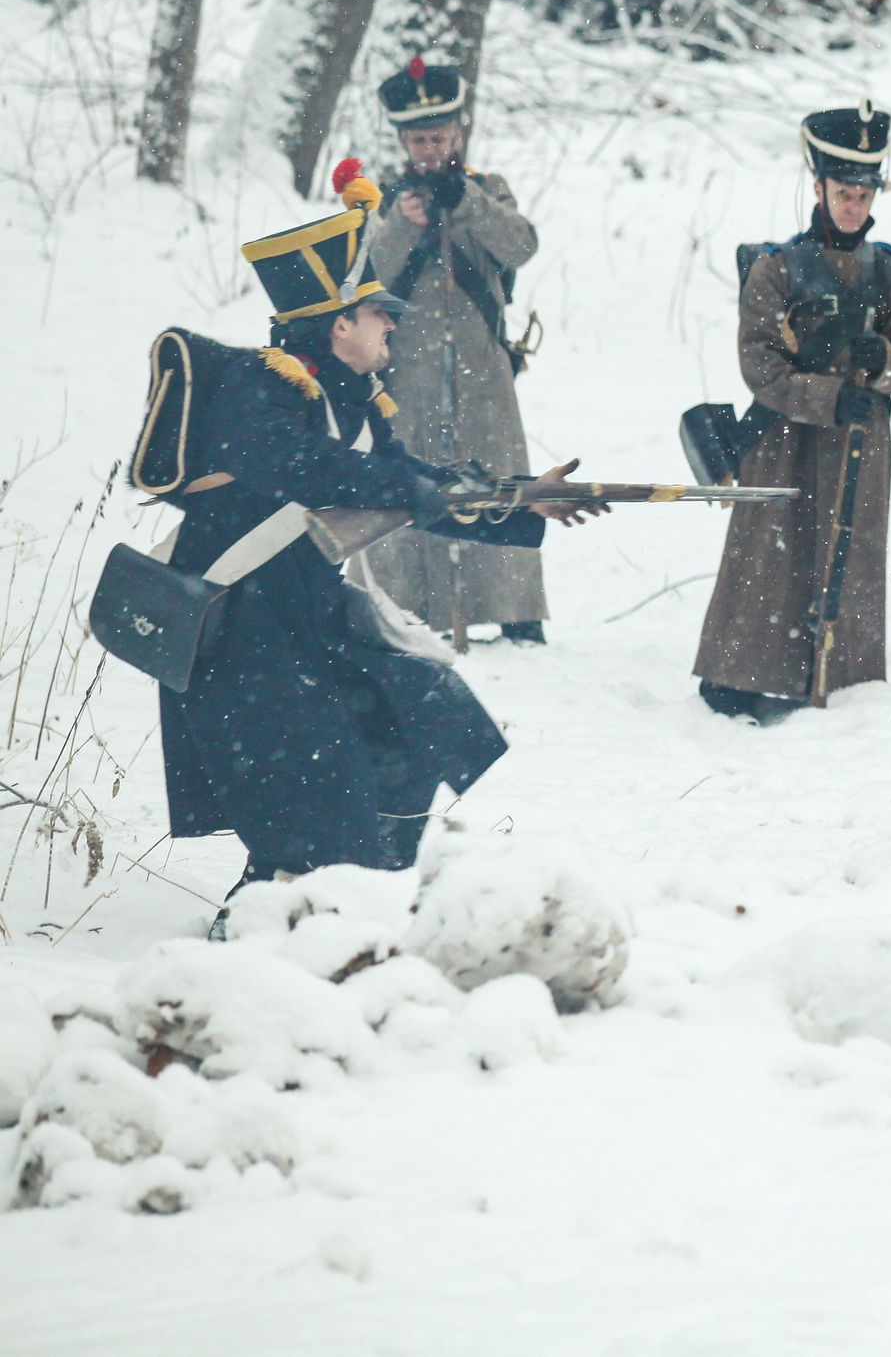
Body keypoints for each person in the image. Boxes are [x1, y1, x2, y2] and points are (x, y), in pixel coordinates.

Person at [155, 197, 600, 917]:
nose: (392, 323)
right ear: (339, 324)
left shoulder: (352, 398)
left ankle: (355, 897)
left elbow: (414, 485)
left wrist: (522, 500)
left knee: (415, 717)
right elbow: (301, 464)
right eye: (377, 313)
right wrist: (408, 486)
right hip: (240, 629)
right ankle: (268, 916)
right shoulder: (259, 386)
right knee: (314, 789)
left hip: (305, 616)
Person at [693, 104, 891, 722]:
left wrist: (884, 363)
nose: (854, 205)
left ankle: (842, 680)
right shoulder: (776, 269)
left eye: (864, 194)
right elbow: (760, 366)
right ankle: (743, 675)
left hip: (861, 442)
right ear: (818, 188)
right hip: (785, 439)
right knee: (771, 558)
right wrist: (826, 397)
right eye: (844, 192)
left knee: (852, 557)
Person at [360, 55, 548, 644]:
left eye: (439, 137)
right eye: (419, 140)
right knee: (411, 483)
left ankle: (515, 610)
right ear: (403, 142)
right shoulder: (384, 202)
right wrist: (401, 225)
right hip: (407, 371)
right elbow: (365, 277)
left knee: (499, 476)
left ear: (457, 135)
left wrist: (467, 202)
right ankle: (410, 611)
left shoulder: (487, 190)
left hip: (482, 369)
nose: (429, 149)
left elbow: (521, 246)